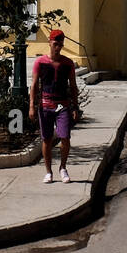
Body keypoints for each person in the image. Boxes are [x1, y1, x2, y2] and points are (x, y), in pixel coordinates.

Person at [29, 29, 81, 183]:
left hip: (62, 105)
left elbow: (73, 86)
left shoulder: (68, 63)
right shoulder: (40, 62)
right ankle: (48, 171)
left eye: (60, 44)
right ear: (50, 43)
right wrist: (31, 106)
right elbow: (34, 86)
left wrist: (75, 107)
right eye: (55, 44)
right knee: (47, 139)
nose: (58, 47)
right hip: (45, 105)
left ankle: (63, 168)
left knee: (64, 137)